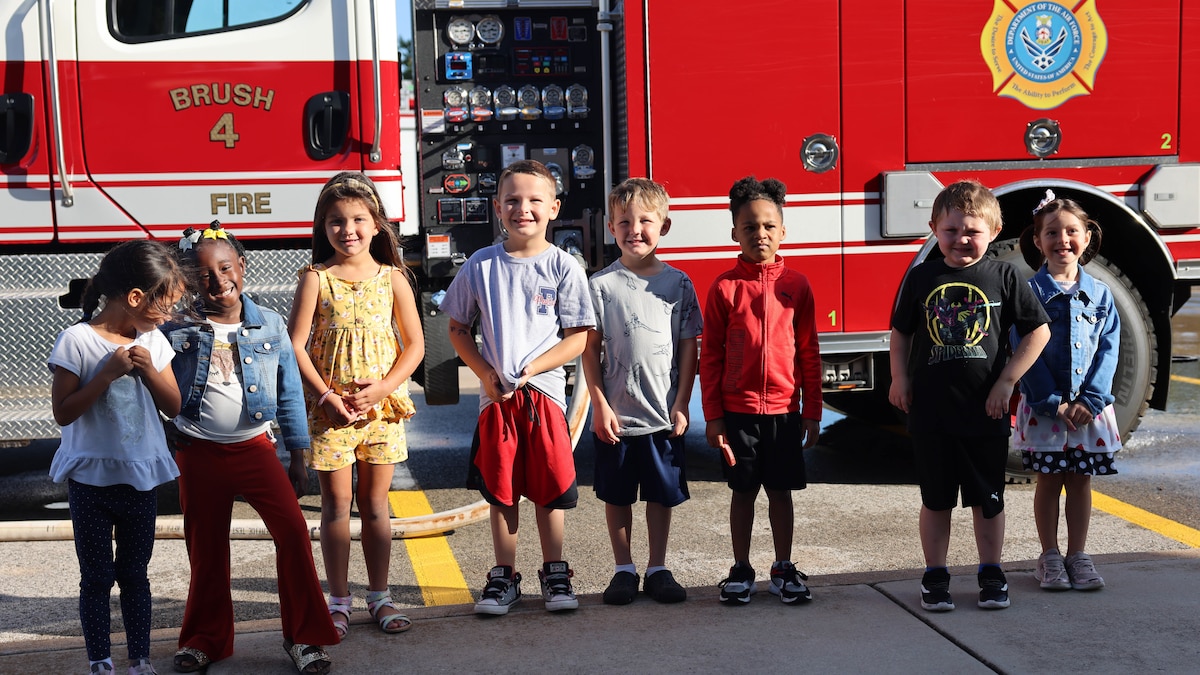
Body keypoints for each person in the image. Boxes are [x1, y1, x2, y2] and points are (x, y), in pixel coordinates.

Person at [162, 222, 338, 674]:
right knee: (206, 549)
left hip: (255, 450)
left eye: (226, 268)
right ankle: (206, 640)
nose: (218, 281)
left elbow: (289, 394)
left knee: (294, 535)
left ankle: (303, 638)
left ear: (242, 266)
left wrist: (298, 455)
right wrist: (165, 433)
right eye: (203, 274)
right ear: (186, 280)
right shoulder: (177, 327)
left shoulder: (271, 324)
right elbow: (152, 386)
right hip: (198, 452)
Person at [439, 159, 596, 616]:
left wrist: (530, 370)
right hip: (497, 401)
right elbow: (457, 329)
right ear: (496, 207)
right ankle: (503, 577)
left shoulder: (564, 266)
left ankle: (556, 572)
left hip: (543, 397)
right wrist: (487, 374)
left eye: (533, 200)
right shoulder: (481, 265)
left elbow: (578, 338)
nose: (522, 208)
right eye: (512, 200)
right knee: (502, 491)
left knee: (549, 490)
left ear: (554, 208)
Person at [889, 179, 1051, 612]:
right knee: (935, 499)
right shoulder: (922, 276)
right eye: (951, 230)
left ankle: (990, 572)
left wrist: (1007, 381)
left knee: (988, 499)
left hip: (986, 411)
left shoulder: (1004, 275)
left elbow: (1039, 331)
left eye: (973, 231)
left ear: (994, 231)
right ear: (934, 229)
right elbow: (901, 334)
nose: (962, 239)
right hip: (931, 413)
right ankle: (935, 574)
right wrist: (899, 378)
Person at [288, 172, 425, 638]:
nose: (348, 230)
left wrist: (383, 388)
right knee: (335, 505)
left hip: (382, 412)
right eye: (336, 221)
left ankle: (381, 597)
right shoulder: (316, 279)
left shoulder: (393, 279)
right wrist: (325, 397)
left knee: (375, 505)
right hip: (331, 415)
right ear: (321, 228)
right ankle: (339, 600)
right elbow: (296, 346)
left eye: (358, 219)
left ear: (377, 224)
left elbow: (415, 347)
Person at [48, 240, 186, 675]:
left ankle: (140, 658)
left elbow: (174, 406)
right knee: (95, 576)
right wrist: (107, 374)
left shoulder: (153, 340)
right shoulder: (77, 340)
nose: (168, 317)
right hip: (90, 480)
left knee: (135, 574)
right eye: (165, 306)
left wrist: (147, 370)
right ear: (135, 298)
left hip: (139, 479)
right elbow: (64, 412)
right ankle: (100, 659)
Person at [700, 176, 822, 605]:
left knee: (781, 492)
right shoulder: (723, 288)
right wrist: (713, 416)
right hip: (738, 412)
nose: (760, 234)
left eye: (769, 226)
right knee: (743, 490)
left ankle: (783, 567)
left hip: (785, 411)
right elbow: (710, 357)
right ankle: (741, 567)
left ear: (783, 230)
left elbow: (809, 351)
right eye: (750, 227)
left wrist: (812, 412)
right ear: (734, 232)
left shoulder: (798, 286)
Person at [582, 178, 703, 605]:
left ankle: (657, 567)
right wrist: (599, 405)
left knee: (659, 492)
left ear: (664, 227)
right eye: (624, 222)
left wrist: (683, 400)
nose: (635, 229)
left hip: (661, 414)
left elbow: (689, 344)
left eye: (645, 221)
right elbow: (590, 351)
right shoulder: (599, 286)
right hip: (617, 414)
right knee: (617, 495)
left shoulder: (678, 284)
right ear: (611, 229)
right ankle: (623, 569)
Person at [1013, 190, 1121, 591]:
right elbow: (1022, 347)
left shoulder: (1102, 295)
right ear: (1037, 241)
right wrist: (1052, 402)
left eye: (1072, 231)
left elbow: (1109, 350)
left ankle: (1078, 555)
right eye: (1052, 232)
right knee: (1049, 480)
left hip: (1087, 411)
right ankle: (1050, 556)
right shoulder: (1028, 293)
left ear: (1087, 237)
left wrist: (1091, 401)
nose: (1063, 239)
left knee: (1080, 480)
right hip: (1048, 409)